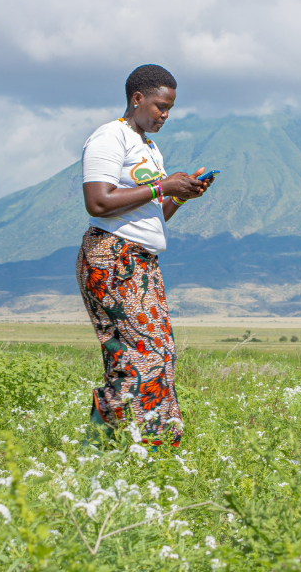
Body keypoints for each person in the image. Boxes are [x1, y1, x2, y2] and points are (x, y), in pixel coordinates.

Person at [76, 64, 214, 448]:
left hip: (142, 260)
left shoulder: (149, 148)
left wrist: (178, 196)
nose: (165, 116)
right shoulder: (109, 137)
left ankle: (107, 447)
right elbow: (99, 201)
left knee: (158, 352)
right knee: (143, 354)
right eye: (160, 106)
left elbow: (152, 215)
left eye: (169, 108)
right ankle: (139, 446)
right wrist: (162, 185)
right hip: (112, 257)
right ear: (137, 99)